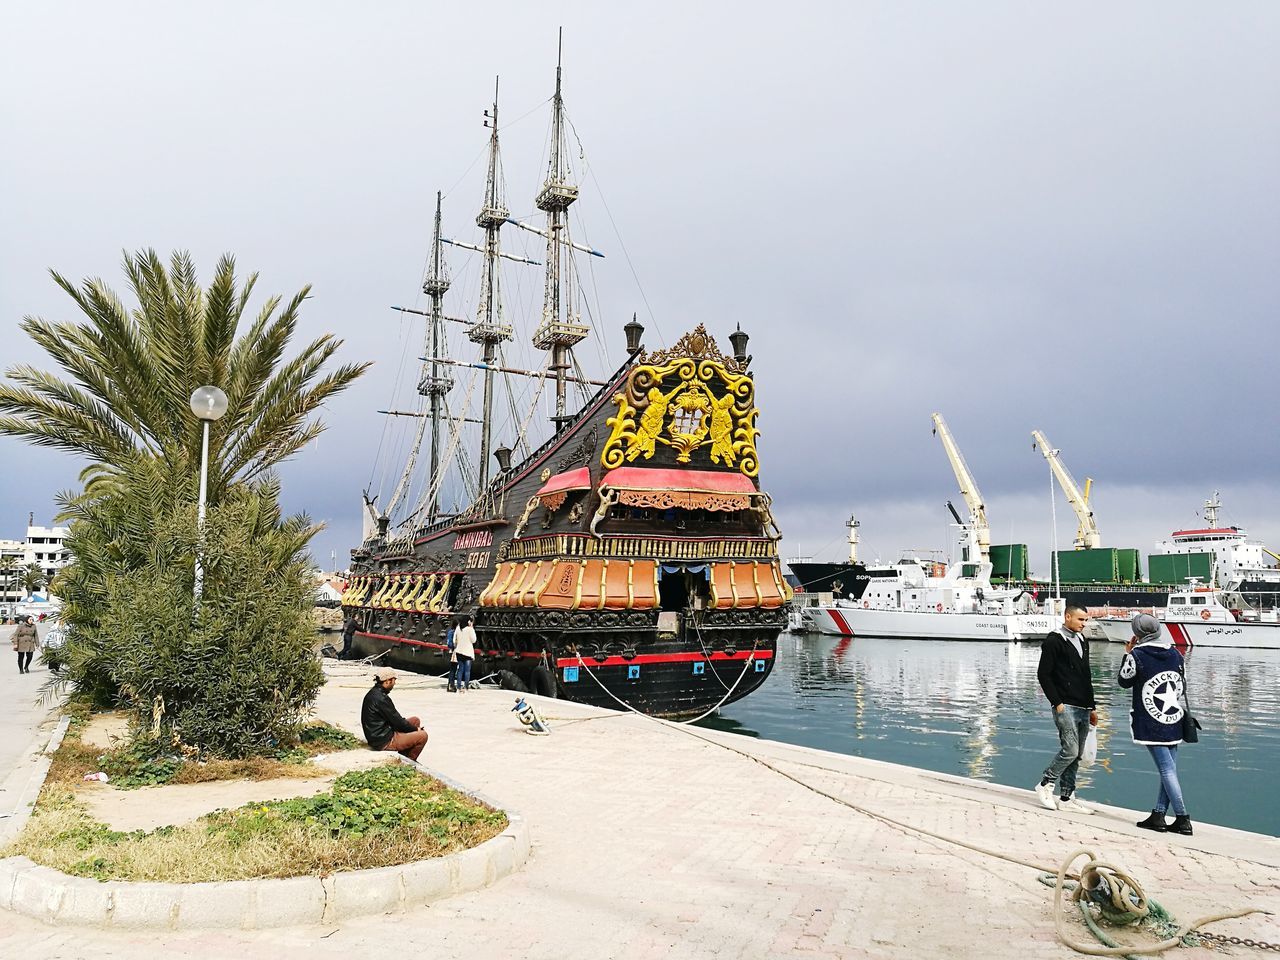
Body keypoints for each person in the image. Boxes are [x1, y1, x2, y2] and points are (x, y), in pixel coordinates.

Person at [1119, 612, 1193, 835]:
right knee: (1168, 769)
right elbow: (1182, 685)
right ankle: (1159, 815)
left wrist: (1128, 654)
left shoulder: (1137, 655)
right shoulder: (1176, 654)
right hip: (1172, 717)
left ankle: (1182, 818)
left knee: (1167, 770)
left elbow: (1124, 681)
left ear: (1137, 633)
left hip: (1150, 721)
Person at [1034, 603, 1098, 813]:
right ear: (1067, 617)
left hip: (1084, 706)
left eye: (1086, 620)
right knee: (1069, 749)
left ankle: (1067, 796)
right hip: (1065, 705)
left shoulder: (1082, 640)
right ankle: (1045, 783)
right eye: (1080, 619)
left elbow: (1086, 676)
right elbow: (1044, 674)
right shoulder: (1054, 641)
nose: (1084, 624)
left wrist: (1093, 706)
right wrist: (1057, 703)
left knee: (1077, 753)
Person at [360, 667, 428, 761]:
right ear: (387, 681)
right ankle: (409, 762)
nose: (394, 683)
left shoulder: (375, 693)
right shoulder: (381, 699)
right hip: (383, 740)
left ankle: (403, 755)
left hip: (379, 733)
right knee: (423, 736)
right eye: (393, 680)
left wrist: (412, 727)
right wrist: (416, 729)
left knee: (415, 720)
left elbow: (395, 719)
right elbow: (398, 722)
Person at [453, 614, 476, 693]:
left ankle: (458, 687)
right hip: (467, 652)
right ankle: (466, 687)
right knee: (467, 671)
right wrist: (472, 628)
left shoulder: (458, 628)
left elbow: (454, 640)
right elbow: (474, 640)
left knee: (460, 670)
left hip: (459, 651)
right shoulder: (470, 629)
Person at [444, 622, 458, 692]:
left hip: (458, 651)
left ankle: (452, 684)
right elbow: (449, 644)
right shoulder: (452, 633)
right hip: (454, 651)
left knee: (455, 669)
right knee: (453, 669)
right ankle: (451, 684)